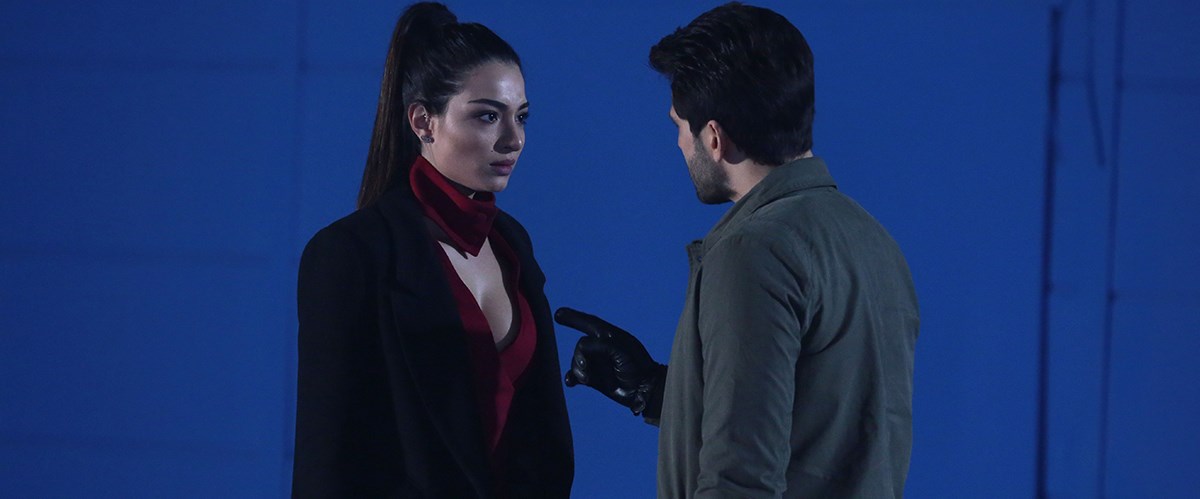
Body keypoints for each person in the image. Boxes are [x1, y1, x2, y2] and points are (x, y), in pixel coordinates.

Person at [555, 3, 920, 497]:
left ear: (714, 138)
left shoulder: (754, 252)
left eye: (679, 125)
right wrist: (655, 391)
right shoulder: (871, 239)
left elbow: (742, 480)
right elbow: (820, 429)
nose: (679, 144)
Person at [292, 3, 572, 497]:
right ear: (424, 121)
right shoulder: (350, 254)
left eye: (522, 117)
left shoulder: (512, 243)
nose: (514, 140)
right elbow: (326, 463)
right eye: (488, 116)